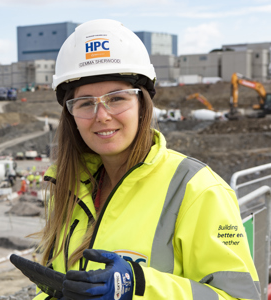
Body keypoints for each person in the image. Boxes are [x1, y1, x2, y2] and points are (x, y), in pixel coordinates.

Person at [29, 19, 259, 300]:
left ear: (142, 105)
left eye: (116, 99)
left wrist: (139, 287)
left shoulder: (197, 190)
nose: (102, 115)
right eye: (86, 102)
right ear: (71, 115)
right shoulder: (70, 188)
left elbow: (240, 297)